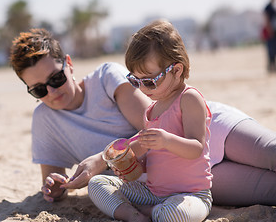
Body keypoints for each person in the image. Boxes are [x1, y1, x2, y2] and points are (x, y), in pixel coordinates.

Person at [9, 28, 276, 207]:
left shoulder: (106, 78)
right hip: (181, 177)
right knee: (269, 190)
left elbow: (156, 124)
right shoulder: (44, 120)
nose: (53, 91)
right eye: (39, 89)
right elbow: (55, 181)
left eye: (56, 78)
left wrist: (102, 160)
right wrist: (56, 187)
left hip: (210, 126)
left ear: (68, 63)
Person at [88, 19, 212, 222]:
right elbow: (152, 158)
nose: (143, 89)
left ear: (176, 70)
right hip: (153, 193)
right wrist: (132, 162)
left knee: (174, 214)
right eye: (134, 81)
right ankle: (135, 215)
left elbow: (197, 148)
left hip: (190, 195)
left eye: (149, 81)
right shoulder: (153, 108)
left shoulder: (189, 99)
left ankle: (151, 213)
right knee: (97, 184)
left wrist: (167, 141)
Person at [263, 0, 276, 72]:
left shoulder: (273, 7)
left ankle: (273, 67)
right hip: (271, 31)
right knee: (271, 50)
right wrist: (269, 30)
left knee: (273, 50)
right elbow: (266, 19)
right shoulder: (268, 7)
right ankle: (270, 67)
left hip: (274, 31)